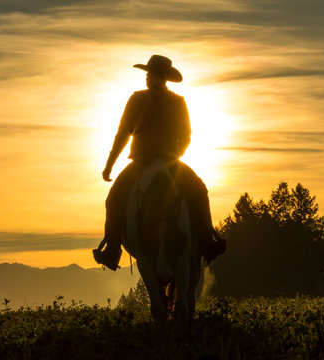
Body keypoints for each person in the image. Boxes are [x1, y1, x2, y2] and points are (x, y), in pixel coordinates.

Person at [93, 55, 226, 271]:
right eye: (146, 73)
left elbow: (186, 135)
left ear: (161, 77)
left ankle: (206, 241)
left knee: (200, 190)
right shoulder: (135, 99)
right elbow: (123, 133)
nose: (146, 76)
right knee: (114, 198)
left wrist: (174, 154)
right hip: (141, 162)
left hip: (169, 161)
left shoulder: (177, 101)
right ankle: (112, 248)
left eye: (150, 73)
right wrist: (110, 163)